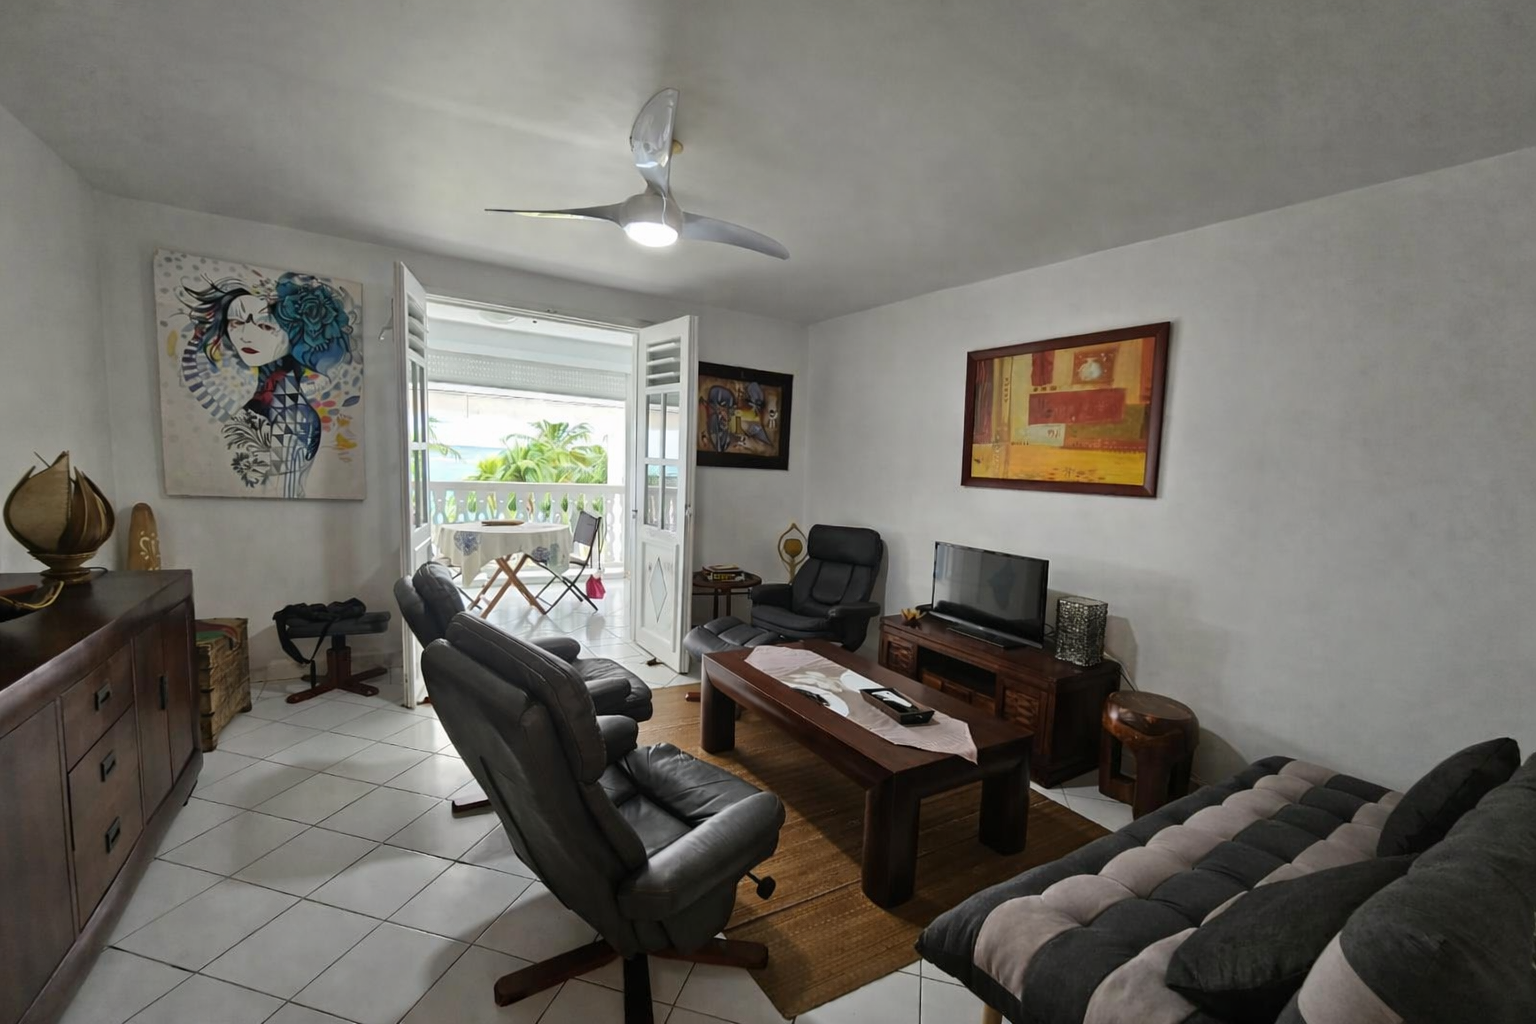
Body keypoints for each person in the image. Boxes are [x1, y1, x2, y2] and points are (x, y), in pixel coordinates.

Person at [179, 272, 356, 497]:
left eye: (265, 327)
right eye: (236, 323)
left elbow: (284, 494)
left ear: (297, 335)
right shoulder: (258, 402)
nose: (245, 335)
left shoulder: (293, 415)